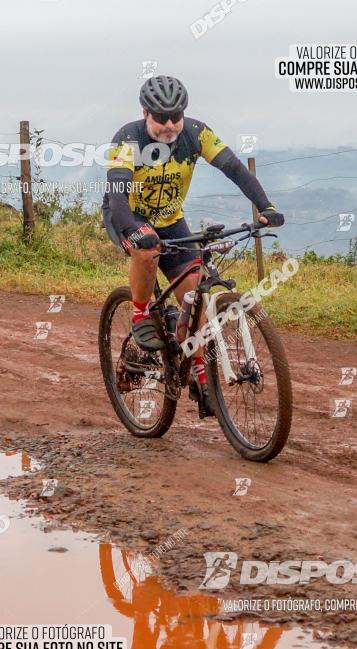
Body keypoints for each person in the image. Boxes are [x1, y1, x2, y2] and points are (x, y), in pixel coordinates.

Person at [103, 75, 281, 417]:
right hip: (127, 216)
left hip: (171, 221)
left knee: (193, 294)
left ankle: (200, 372)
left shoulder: (197, 133)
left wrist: (266, 206)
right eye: (161, 118)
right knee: (147, 251)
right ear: (145, 113)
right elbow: (118, 198)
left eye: (176, 116)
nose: (170, 125)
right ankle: (140, 313)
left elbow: (235, 170)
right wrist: (136, 230)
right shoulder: (126, 140)